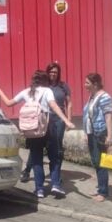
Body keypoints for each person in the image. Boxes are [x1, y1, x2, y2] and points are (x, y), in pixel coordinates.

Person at [0, 70, 74, 199]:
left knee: (37, 160)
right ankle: (55, 185)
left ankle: (39, 189)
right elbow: (54, 106)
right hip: (47, 128)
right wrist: (66, 120)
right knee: (54, 157)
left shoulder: (26, 92)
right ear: (45, 81)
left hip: (31, 131)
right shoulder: (47, 91)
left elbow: (9, 103)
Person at [83, 72, 112, 202]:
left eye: (87, 83)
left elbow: (108, 116)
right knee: (96, 162)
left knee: (102, 162)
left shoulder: (104, 96)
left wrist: (110, 135)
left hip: (100, 133)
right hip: (92, 133)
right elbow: (88, 116)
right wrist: (86, 133)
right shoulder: (92, 96)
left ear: (95, 84)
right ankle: (101, 188)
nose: (85, 85)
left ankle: (103, 192)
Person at [45, 62, 72, 197]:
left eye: (55, 72)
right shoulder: (44, 86)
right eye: (51, 71)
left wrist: (68, 119)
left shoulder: (63, 86)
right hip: (46, 120)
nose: (53, 74)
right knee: (49, 147)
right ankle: (28, 170)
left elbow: (69, 103)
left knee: (58, 148)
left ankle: (56, 174)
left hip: (60, 119)